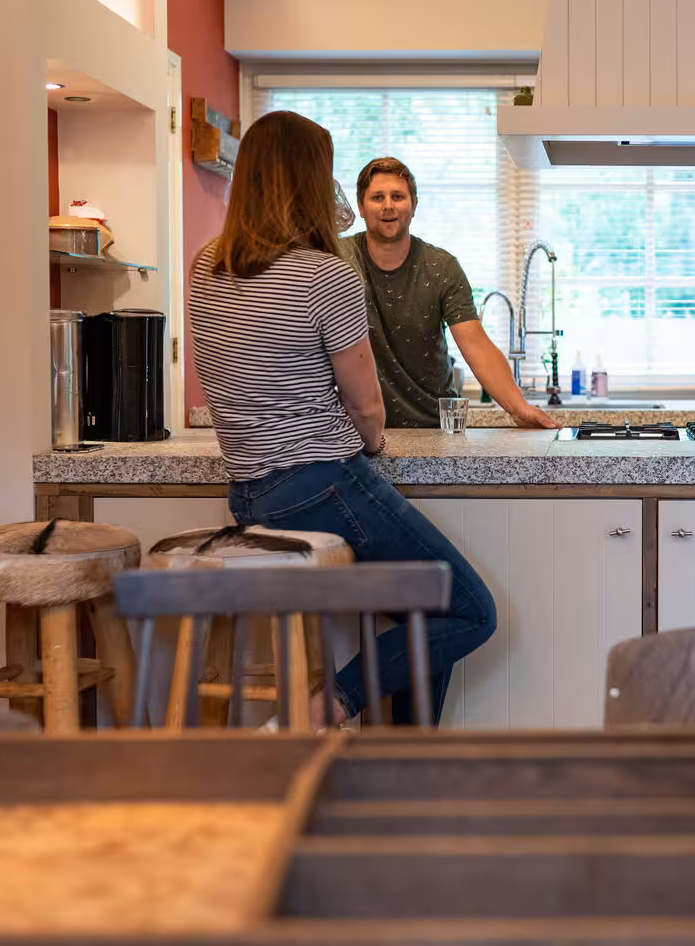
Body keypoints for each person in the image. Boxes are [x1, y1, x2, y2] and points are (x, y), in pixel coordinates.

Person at [188, 111, 496, 728]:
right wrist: (375, 444)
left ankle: (403, 769)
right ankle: (328, 706)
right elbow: (365, 406)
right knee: (466, 610)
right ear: (312, 180)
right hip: (322, 484)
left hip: (247, 493)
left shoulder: (207, 263)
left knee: (418, 606)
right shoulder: (326, 272)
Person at [343, 156, 558, 429]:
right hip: (356, 433)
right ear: (361, 206)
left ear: (414, 205)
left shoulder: (441, 267)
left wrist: (519, 408)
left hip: (434, 429)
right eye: (377, 197)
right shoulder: (339, 260)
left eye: (397, 196)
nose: (388, 206)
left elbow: (475, 344)